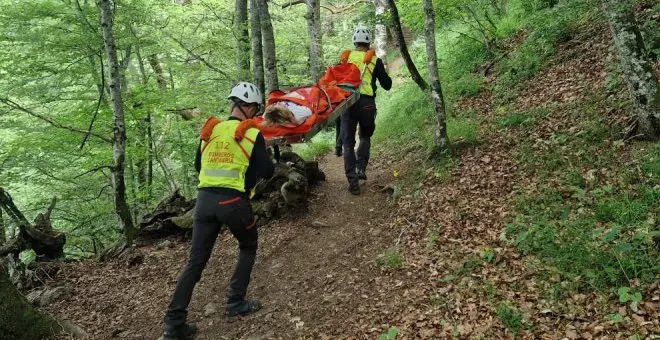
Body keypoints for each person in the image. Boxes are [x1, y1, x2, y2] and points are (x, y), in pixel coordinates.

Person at [161, 82, 274, 340]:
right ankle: (235, 303)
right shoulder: (252, 134)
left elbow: (198, 165)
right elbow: (267, 171)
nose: (256, 114)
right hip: (232, 202)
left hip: (203, 202)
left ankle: (173, 324)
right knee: (248, 246)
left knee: (195, 262)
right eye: (255, 108)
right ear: (246, 107)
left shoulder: (210, 131)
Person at [340, 26, 392, 195]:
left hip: (348, 102)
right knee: (365, 136)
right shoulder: (374, 60)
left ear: (354, 42)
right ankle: (361, 168)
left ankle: (352, 182)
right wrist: (381, 71)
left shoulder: (346, 58)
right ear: (368, 43)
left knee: (347, 143)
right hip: (367, 103)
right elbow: (387, 85)